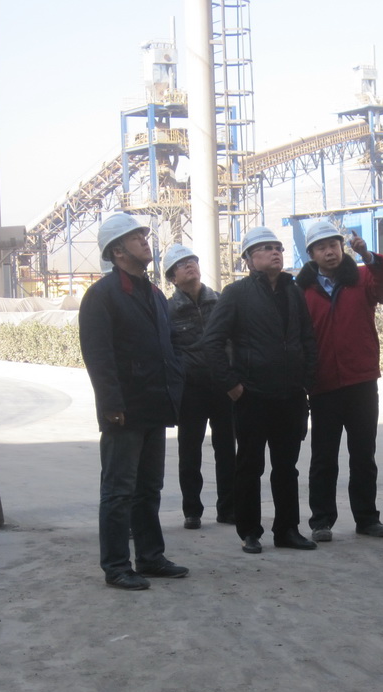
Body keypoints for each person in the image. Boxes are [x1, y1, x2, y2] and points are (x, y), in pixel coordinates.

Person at [79, 213, 189, 590]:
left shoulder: (154, 294)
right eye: (135, 237)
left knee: (148, 489)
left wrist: (175, 386)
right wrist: (111, 404)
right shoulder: (103, 295)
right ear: (117, 251)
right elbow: (98, 355)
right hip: (124, 410)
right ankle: (116, 566)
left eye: (143, 234)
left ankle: (150, 557)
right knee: (118, 491)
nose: (145, 241)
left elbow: (169, 346)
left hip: (154, 405)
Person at [203, 226, 319, 555]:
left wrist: (306, 381)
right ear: (249, 260)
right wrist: (232, 385)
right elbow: (211, 341)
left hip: (290, 396)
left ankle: (287, 530)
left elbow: (307, 338)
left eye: (278, 247)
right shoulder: (236, 293)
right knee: (249, 467)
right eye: (266, 248)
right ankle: (250, 532)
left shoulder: (292, 291)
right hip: (252, 395)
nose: (275, 252)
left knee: (286, 468)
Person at [295, 221, 383, 542]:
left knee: (363, 454)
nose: (329, 252)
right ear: (311, 254)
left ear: (343, 248)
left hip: (361, 381)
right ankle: (321, 520)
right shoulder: (301, 292)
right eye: (321, 247)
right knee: (323, 457)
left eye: (334, 245)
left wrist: (368, 255)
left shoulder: (363, 279)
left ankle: (367, 519)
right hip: (323, 385)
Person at [163, 243, 235, 530]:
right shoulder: (168, 310)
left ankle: (228, 508)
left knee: (226, 449)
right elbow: (167, 351)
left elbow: (233, 339)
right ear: (172, 277)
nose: (189, 265)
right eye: (182, 264)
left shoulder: (219, 301)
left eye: (192, 260)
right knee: (190, 452)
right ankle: (192, 510)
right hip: (190, 390)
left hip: (223, 387)